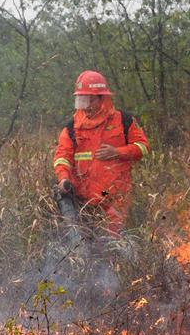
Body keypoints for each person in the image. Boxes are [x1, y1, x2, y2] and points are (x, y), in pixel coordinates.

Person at [53, 70, 149, 235]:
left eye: (89, 100)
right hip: (84, 201)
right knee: (84, 242)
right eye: (81, 101)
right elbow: (62, 157)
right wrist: (63, 178)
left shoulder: (123, 120)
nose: (85, 106)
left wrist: (118, 152)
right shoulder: (71, 128)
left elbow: (143, 147)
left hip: (113, 196)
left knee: (114, 239)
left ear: (102, 98)